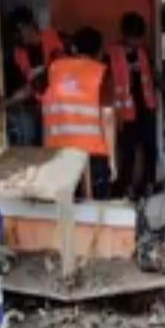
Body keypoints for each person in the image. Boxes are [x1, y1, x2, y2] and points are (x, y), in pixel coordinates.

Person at [41, 26, 116, 199]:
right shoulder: (101, 73)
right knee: (95, 210)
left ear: (74, 48)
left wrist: (46, 153)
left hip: (59, 153)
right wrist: (112, 160)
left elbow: (46, 112)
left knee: (66, 206)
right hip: (93, 153)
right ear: (99, 51)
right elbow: (108, 119)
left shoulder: (54, 70)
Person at [107, 12, 161, 199]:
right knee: (127, 152)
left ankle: (148, 184)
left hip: (146, 107)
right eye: (133, 37)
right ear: (125, 34)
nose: (136, 42)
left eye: (138, 38)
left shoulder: (143, 52)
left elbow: (151, 76)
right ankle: (125, 187)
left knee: (150, 149)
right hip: (126, 111)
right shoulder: (112, 54)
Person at [4, 7, 65, 146]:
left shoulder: (53, 39)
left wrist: (32, 86)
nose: (16, 36)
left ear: (28, 26)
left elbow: (60, 70)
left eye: (17, 31)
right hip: (36, 111)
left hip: (59, 110)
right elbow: (21, 82)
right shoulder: (17, 53)